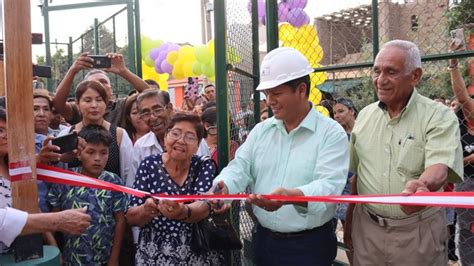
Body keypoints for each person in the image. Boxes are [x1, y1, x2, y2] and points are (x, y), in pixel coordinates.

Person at [211, 47, 349, 265]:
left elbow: (329, 186)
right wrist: (223, 186)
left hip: (309, 246)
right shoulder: (261, 131)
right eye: (267, 95)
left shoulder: (330, 134)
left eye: (276, 93)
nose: (270, 101)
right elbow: (240, 166)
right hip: (264, 240)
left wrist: (290, 196)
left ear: (301, 90)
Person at [344, 40, 463, 266]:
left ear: (415, 76)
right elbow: (359, 175)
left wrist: (423, 186)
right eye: (376, 71)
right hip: (367, 231)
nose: (380, 80)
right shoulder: (365, 118)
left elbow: (440, 167)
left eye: (391, 72)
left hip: (418, 233)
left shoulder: (438, 116)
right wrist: (350, 223)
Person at [126, 113, 223, 265]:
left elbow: (204, 205)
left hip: (196, 253)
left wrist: (183, 212)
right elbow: (131, 216)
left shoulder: (204, 166)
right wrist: (146, 210)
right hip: (153, 255)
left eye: (190, 137)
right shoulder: (148, 165)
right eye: (175, 133)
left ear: (198, 145)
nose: (181, 140)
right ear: (165, 137)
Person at [0, 108, 91, 254]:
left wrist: (52, 242)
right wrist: (57, 221)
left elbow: (31, 204)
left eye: (8, 129)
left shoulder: (13, 168)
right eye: (0, 131)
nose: (6, 136)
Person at [48, 124, 127, 265]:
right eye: (91, 152)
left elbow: (120, 221)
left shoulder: (114, 182)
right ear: (79, 153)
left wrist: (114, 258)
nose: (97, 158)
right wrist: (54, 248)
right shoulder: (65, 180)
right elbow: (52, 218)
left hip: (104, 259)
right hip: (71, 259)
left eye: (103, 152)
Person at [129, 89, 209, 187]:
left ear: (170, 108)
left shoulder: (194, 141)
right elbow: (133, 188)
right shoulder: (141, 146)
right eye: (146, 113)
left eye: (157, 110)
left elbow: (206, 184)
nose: (153, 117)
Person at [58, 80, 133, 185]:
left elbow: (129, 174)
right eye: (88, 100)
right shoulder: (67, 134)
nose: (94, 105)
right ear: (77, 103)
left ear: (106, 102)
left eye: (99, 100)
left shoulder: (119, 134)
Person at [52, 52, 150, 126]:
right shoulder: (80, 109)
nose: (99, 86)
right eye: (94, 83)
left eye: (103, 82)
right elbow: (58, 104)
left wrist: (124, 71)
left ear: (111, 90)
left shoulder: (121, 107)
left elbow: (149, 94)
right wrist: (72, 71)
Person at [448, 42, 474, 265]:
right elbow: (463, 97)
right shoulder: (461, 117)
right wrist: (454, 64)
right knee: (465, 230)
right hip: (467, 180)